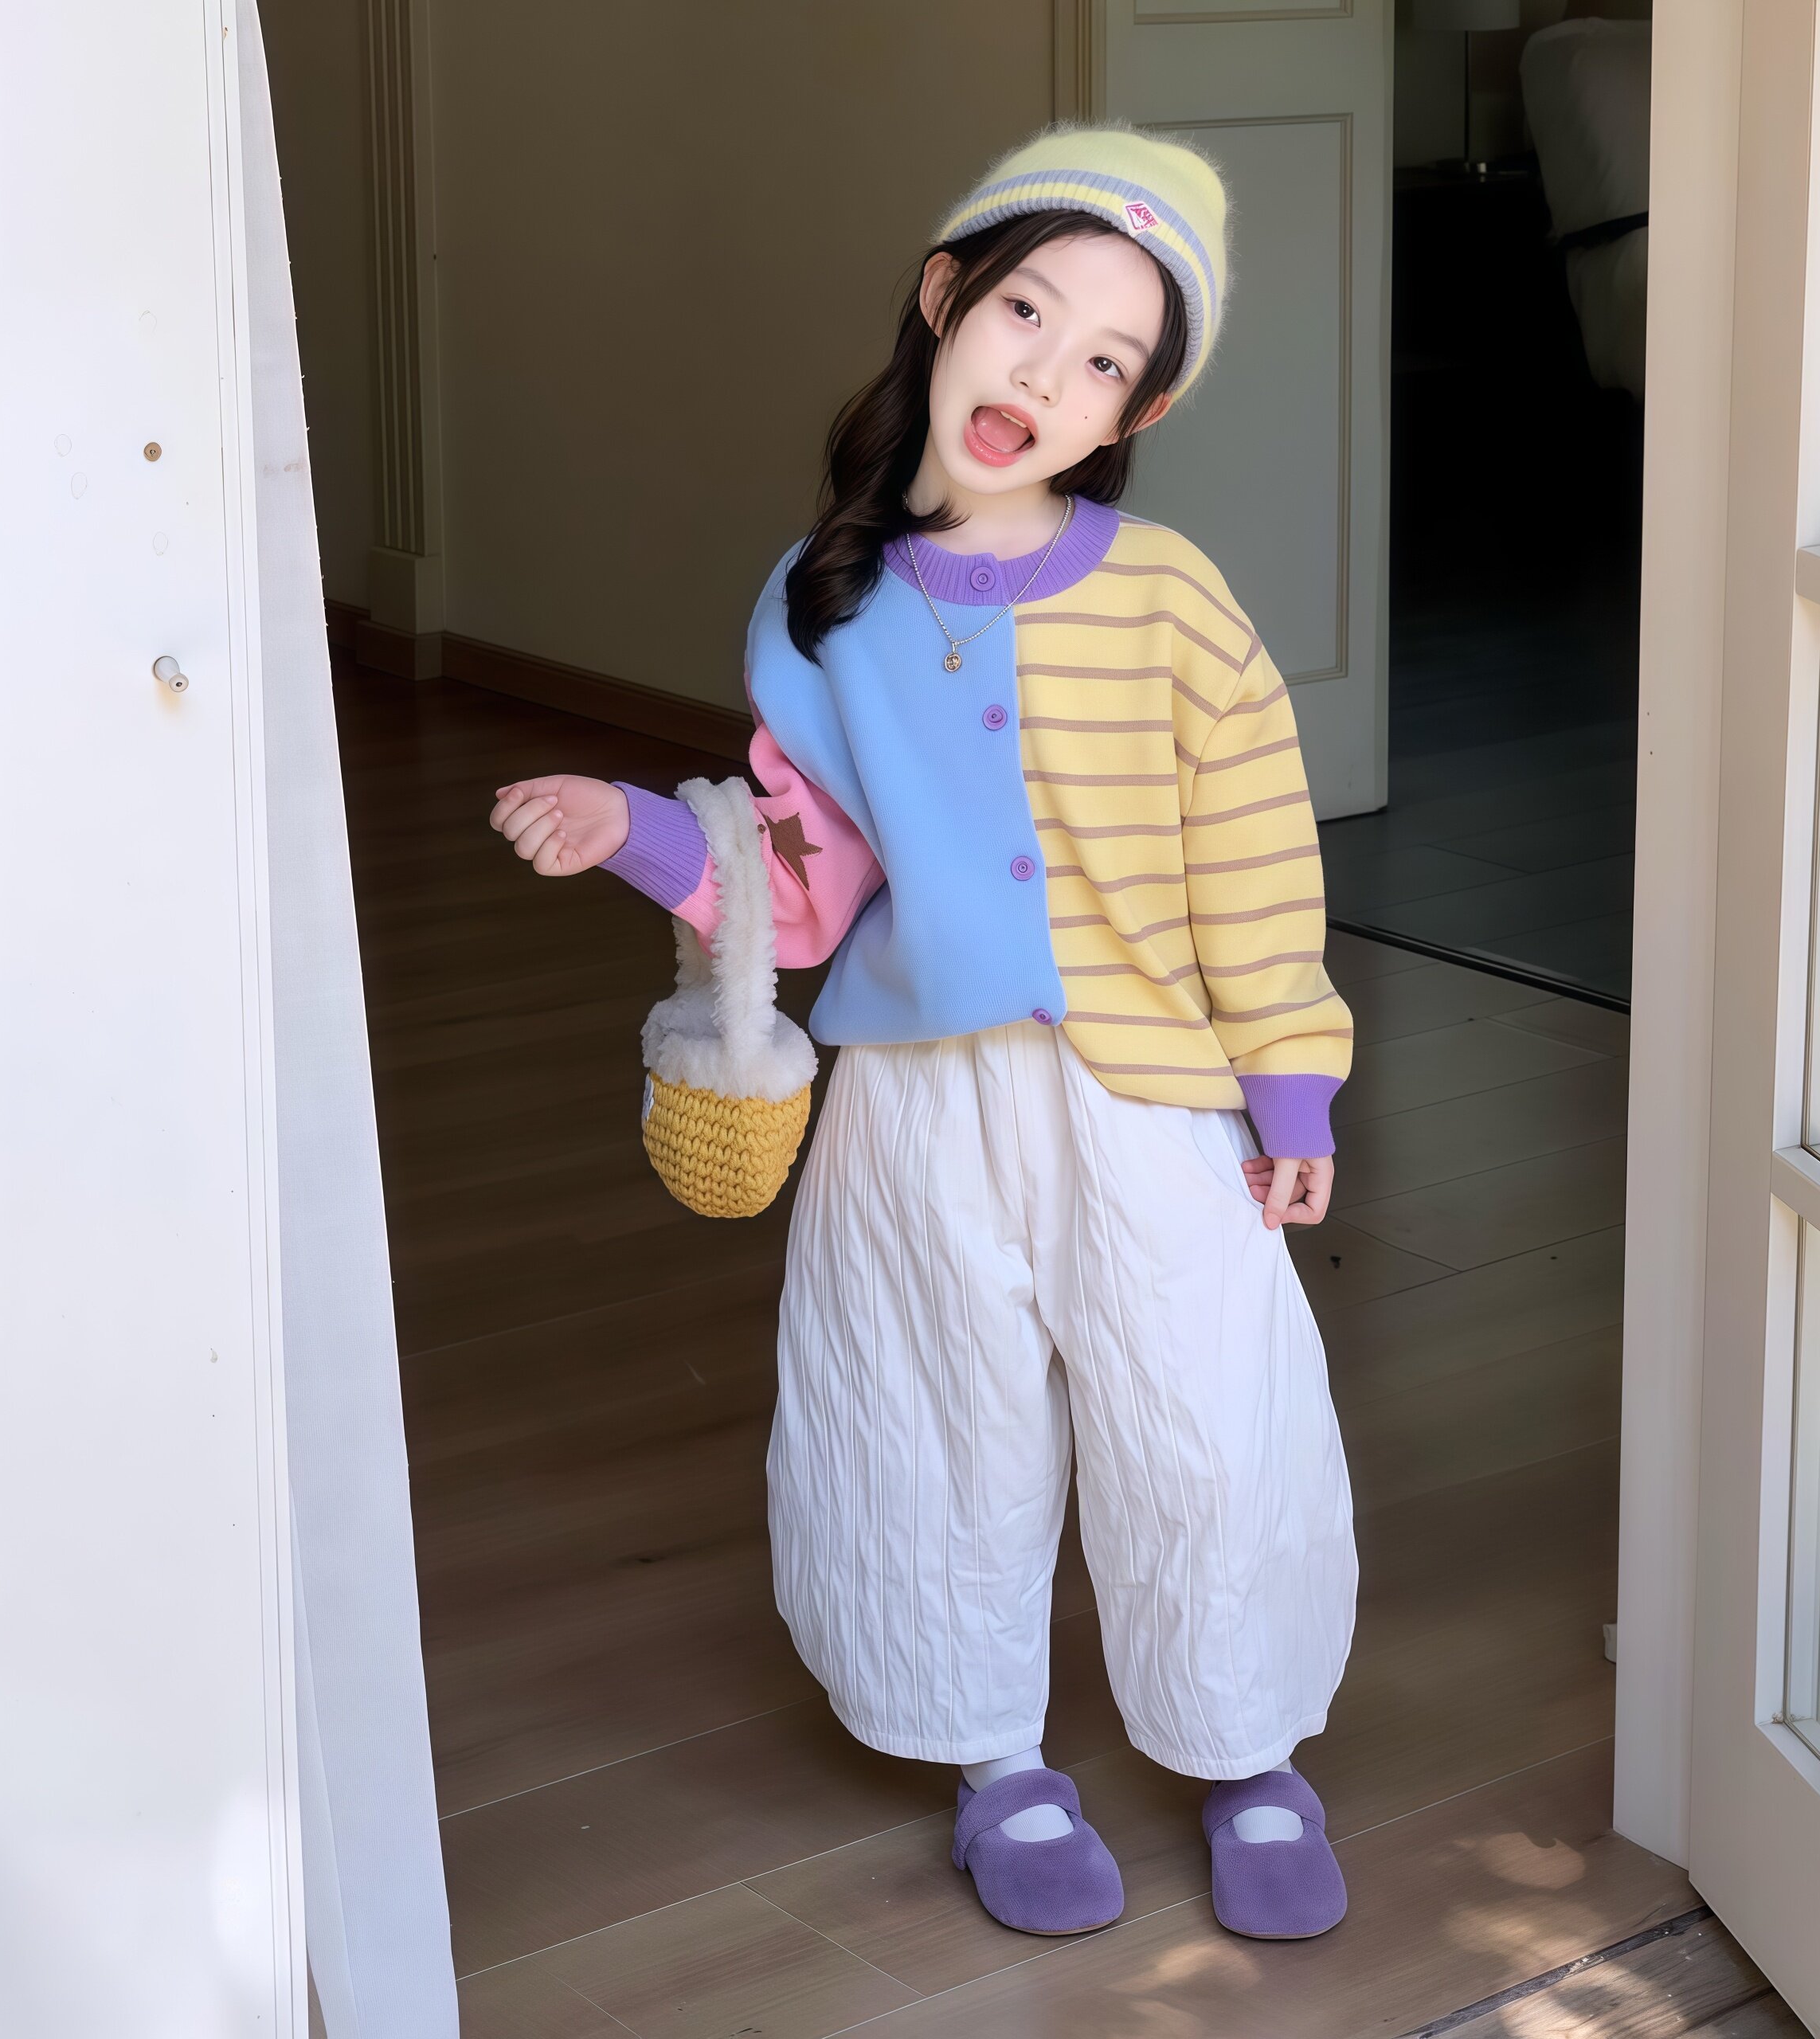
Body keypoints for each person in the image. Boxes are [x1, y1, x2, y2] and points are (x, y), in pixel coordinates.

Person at [488, 125, 1359, 1942]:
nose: (1045, 375)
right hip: (913, 1102)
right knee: (929, 1414)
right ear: (945, 296)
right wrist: (632, 823)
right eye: (1027, 311)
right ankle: (993, 1762)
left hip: (1147, 1098)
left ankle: (1248, 1748)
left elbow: (1256, 856)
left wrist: (1290, 1083)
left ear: (1134, 411)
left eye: (1104, 360)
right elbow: (799, 886)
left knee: (1209, 1414)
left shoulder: (1172, 599)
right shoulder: (826, 600)